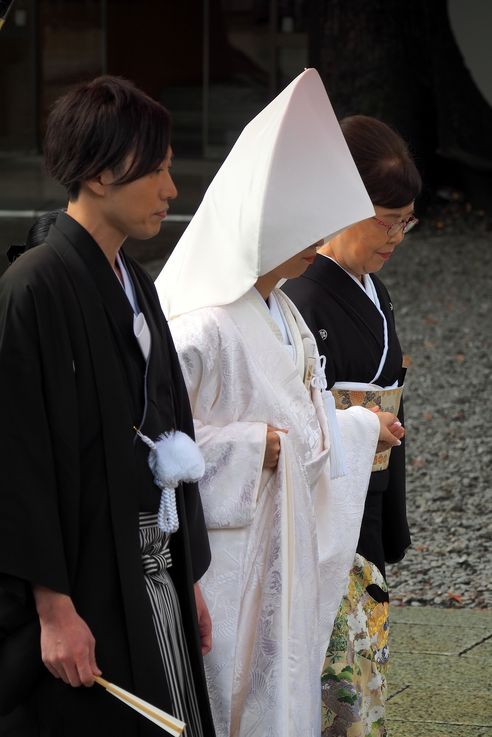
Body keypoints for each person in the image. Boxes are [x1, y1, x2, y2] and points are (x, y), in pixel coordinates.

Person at [155, 70, 404, 737]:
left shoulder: (285, 314)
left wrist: (356, 427)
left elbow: (309, 418)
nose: (316, 237)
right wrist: (244, 447)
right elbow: (151, 443)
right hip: (227, 564)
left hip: (281, 552)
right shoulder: (202, 323)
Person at [0, 76, 215, 737]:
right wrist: (53, 607)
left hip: (153, 564)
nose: (170, 189)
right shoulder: (30, 289)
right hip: (84, 576)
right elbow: (16, 460)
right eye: (154, 169)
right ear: (98, 172)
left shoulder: (137, 284)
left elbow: (170, 429)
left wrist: (188, 579)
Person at [283, 114, 422, 736]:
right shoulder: (308, 295)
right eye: (384, 220)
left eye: (405, 222)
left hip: (368, 489)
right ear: (341, 204)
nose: (395, 236)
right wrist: (362, 420)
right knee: (335, 672)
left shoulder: (369, 288)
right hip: (326, 503)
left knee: (363, 664)